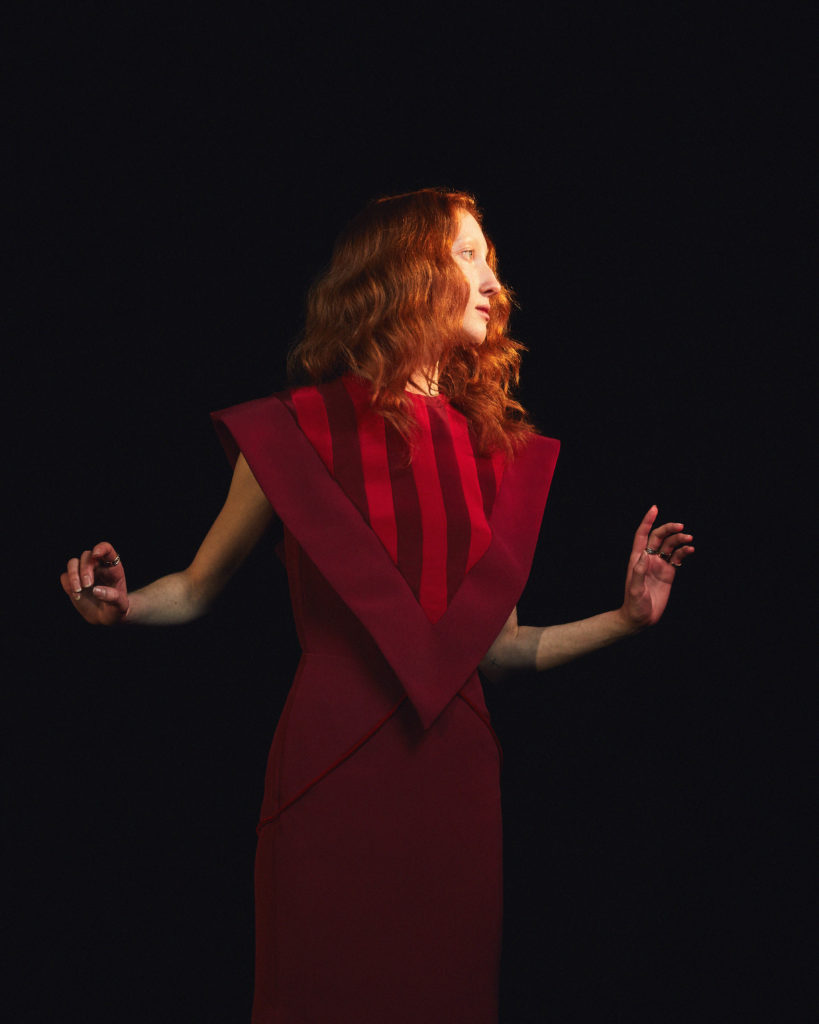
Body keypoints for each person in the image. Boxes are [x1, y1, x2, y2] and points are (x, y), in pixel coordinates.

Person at [60, 188, 694, 1024]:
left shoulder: (492, 450)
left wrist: (625, 620)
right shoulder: (296, 427)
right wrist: (127, 604)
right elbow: (198, 585)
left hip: (456, 775)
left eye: (493, 263)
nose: (491, 281)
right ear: (401, 270)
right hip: (333, 760)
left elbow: (496, 650)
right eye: (467, 255)